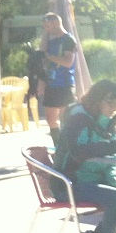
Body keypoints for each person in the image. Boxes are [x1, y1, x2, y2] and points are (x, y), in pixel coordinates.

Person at [53, 79, 116, 233]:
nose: (114, 107)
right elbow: (79, 152)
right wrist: (114, 146)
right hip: (68, 183)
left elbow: (111, 159)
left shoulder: (105, 121)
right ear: (98, 100)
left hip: (91, 179)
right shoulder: (78, 118)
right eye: (111, 102)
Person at [41, 12, 77, 145]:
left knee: (65, 118)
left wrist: (50, 57)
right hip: (52, 83)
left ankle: (68, 145)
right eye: (44, 27)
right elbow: (43, 56)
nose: (46, 29)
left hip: (65, 83)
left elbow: (68, 62)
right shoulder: (51, 40)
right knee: (50, 118)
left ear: (56, 24)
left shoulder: (68, 39)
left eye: (47, 26)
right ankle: (58, 144)